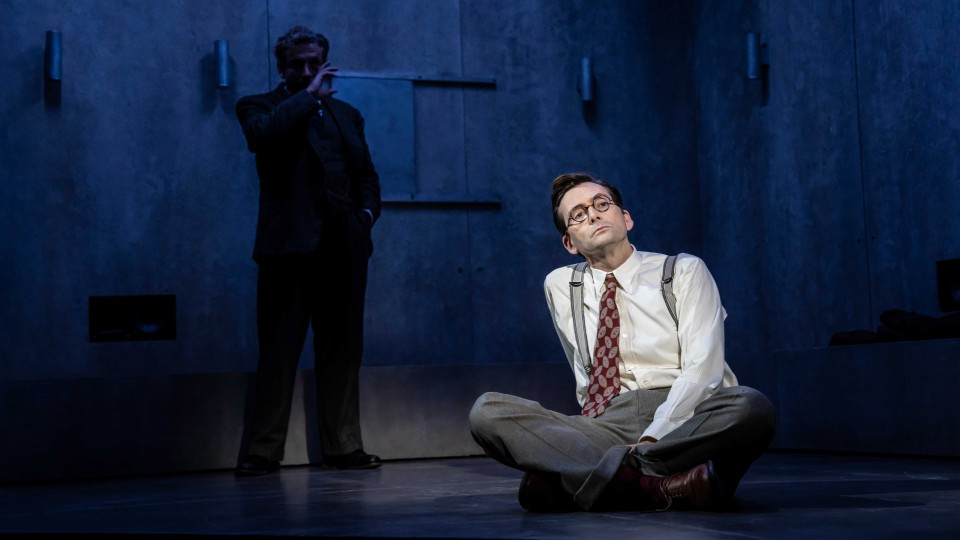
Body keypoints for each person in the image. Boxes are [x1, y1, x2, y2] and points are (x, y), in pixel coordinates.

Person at [469, 172, 776, 512]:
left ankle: (587, 479)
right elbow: (583, 371)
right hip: (610, 422)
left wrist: (650, 437)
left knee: (751, 406)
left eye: (602, 204)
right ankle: (664, 487)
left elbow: (703, 371)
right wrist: (590, 433)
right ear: (570, 243)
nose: (594, 214)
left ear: (625, 218)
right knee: (488, 411)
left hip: (689, 417)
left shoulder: (683, 270)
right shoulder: (560, 285)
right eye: (578, 214)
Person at [234, 25, 382, 475]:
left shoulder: (348, 115)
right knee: (278, 351)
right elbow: (262, 135)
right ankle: (262, 452)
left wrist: (366, 217)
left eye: (314, 63)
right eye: (296, 64)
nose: (306, 71)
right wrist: (308, 97)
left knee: (343, 350)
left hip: (344, 248)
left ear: (324, 62)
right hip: (288, 251)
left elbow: (367, 177)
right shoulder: (260, 106)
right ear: (282, 66)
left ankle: (344, 446)